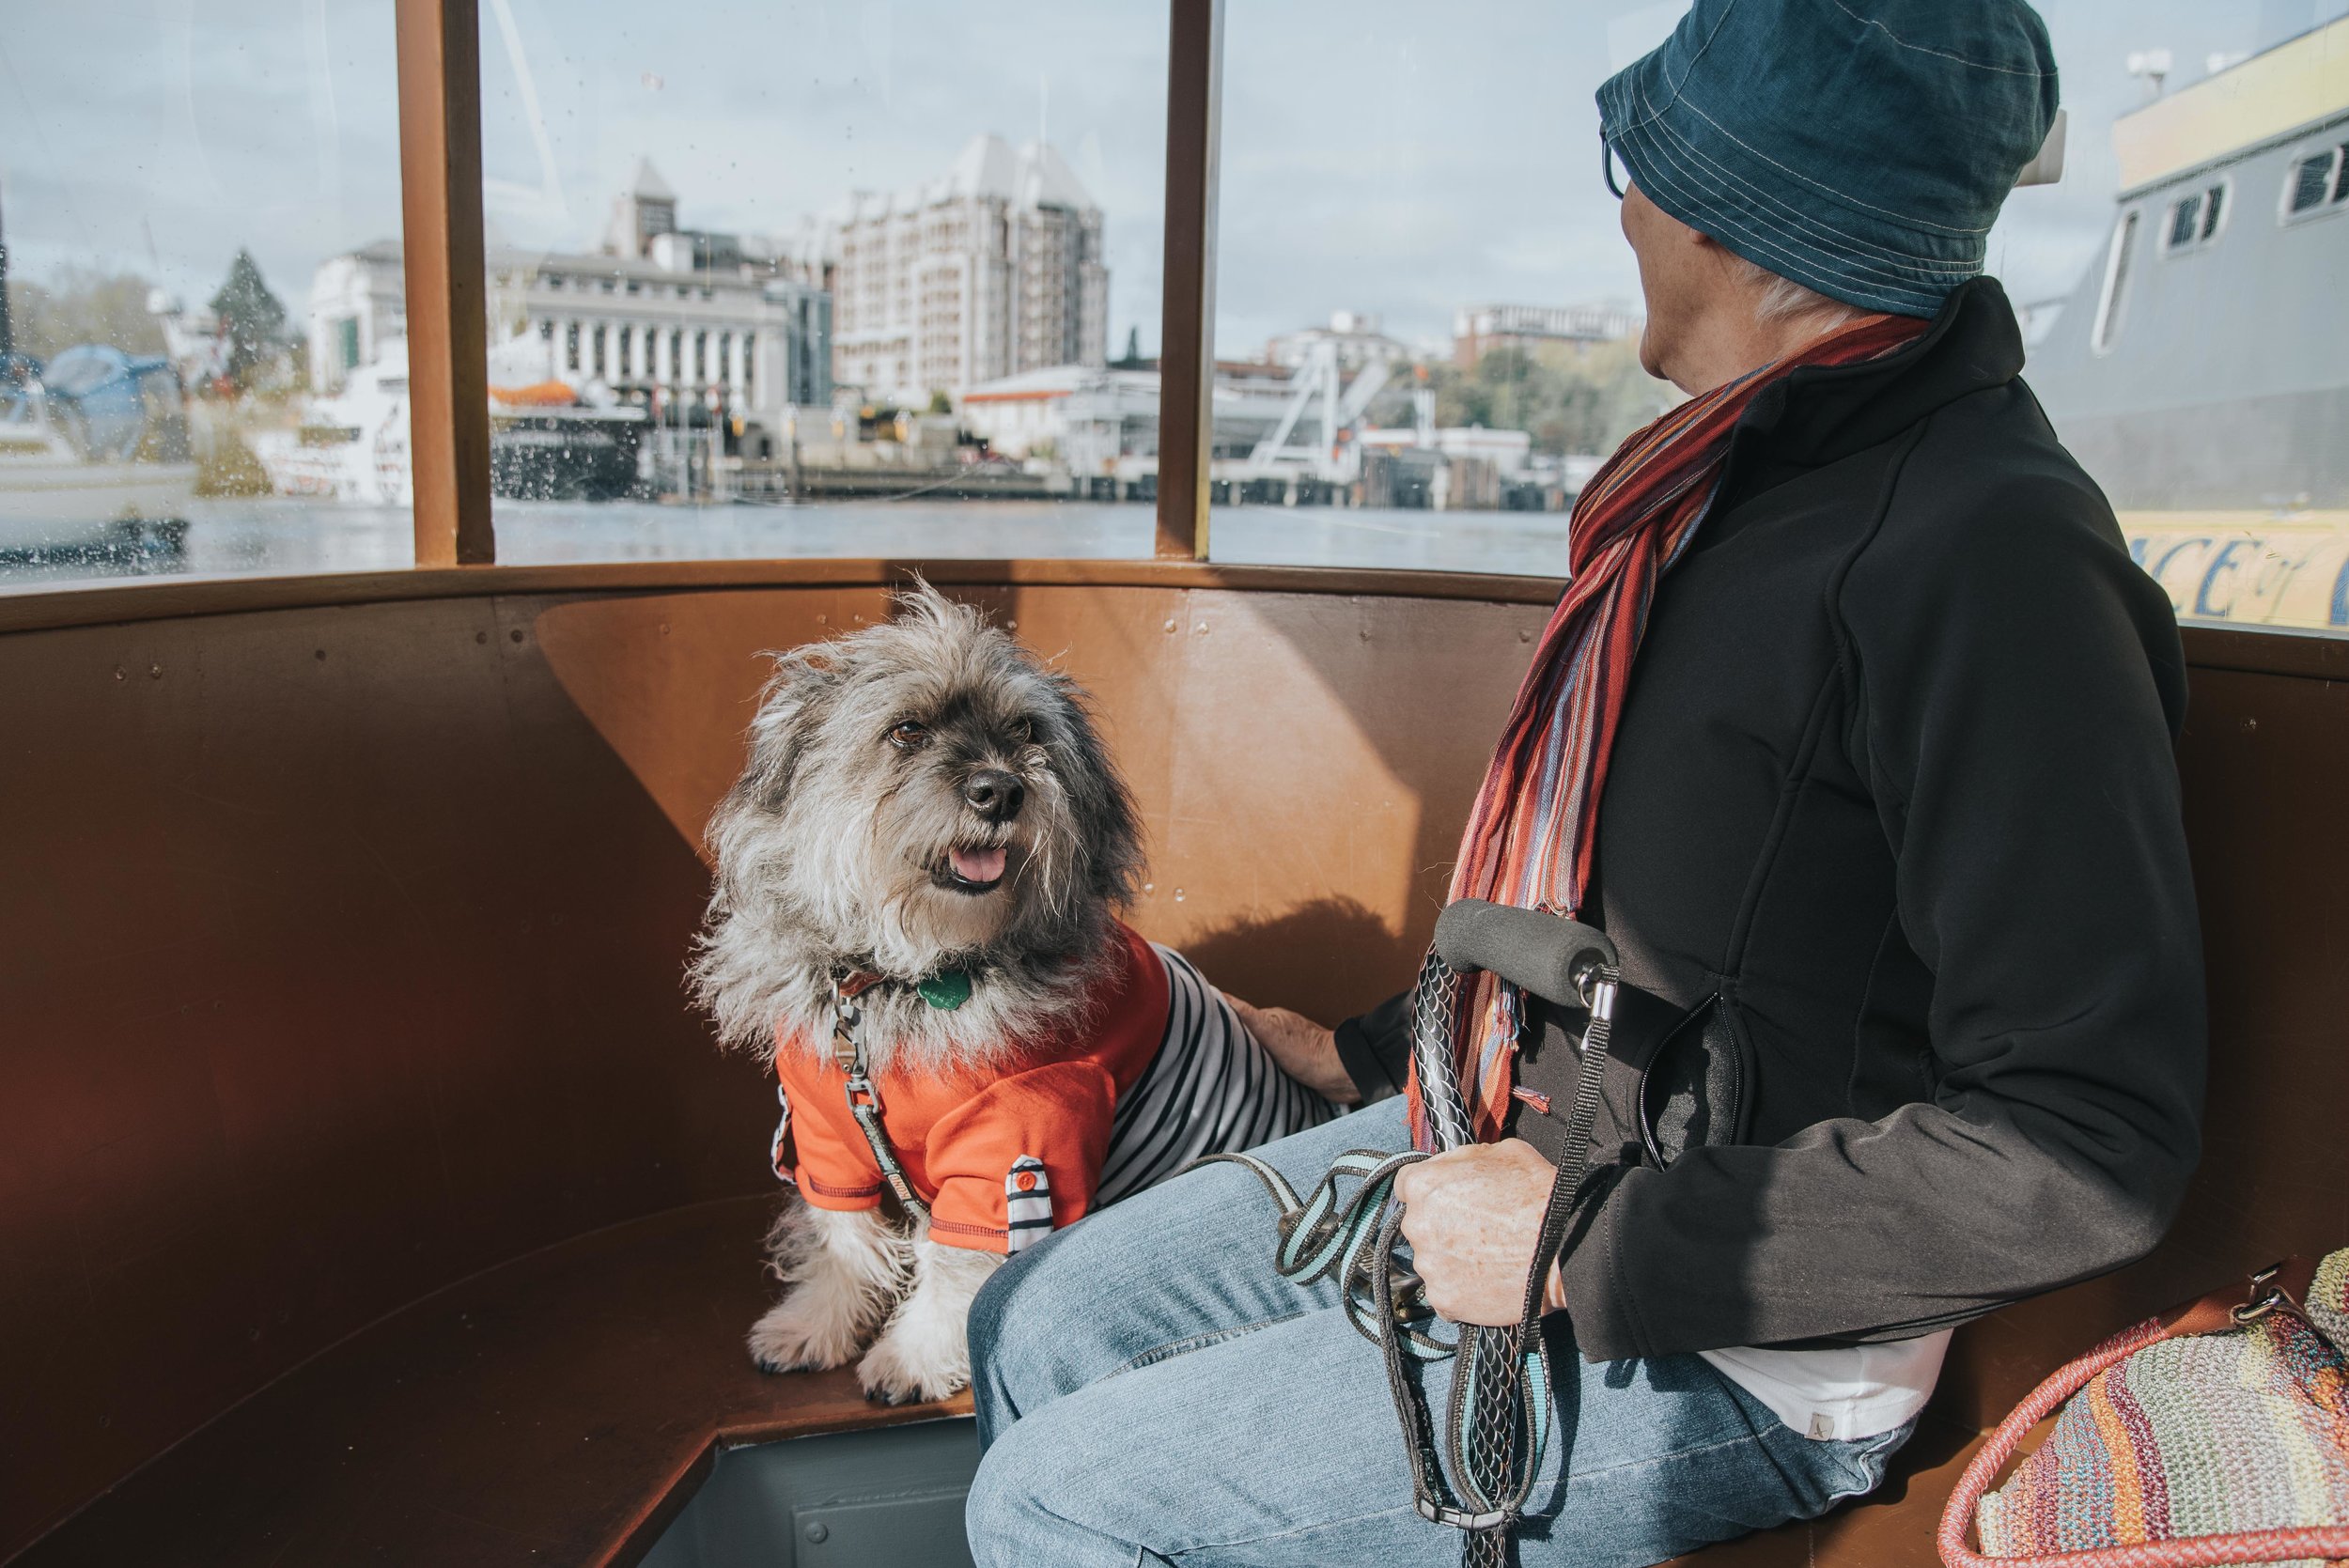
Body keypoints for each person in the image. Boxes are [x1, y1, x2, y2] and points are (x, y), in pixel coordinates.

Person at [961, 0, 2207, 1561]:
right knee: (1036, 1318)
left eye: (1648, 165)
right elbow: (1628, 910)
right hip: (1511, 1141)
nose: (1623, 206)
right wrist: (1361, 1056)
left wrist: (1574, 1239)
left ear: (1760, 224)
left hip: (1731, 1322)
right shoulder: (1734, 482)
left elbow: (2083, 1148)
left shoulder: (1995, 556)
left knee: (1056, 1498)